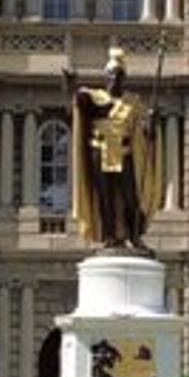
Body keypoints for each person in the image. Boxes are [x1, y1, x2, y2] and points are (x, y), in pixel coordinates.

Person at [63, 48, 162, 253]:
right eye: (110, 76)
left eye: (118, 76)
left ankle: (134, 236)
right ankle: (109, 237)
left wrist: (151, 123)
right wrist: (70, 86)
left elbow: (145, 133)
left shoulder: (133, 103)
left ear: (124, 79)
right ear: (105, 78)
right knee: (105, 198)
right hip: (99, 152)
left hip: (124, 153)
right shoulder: (94, 97)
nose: (114, 80)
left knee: (131, 197)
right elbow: (75, 108)